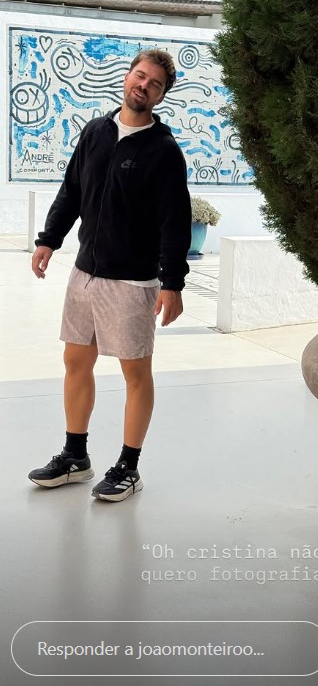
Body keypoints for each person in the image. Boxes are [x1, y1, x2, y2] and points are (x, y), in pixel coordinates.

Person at [29, 49, 192, 502]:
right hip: (85, 273)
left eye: (154, 83)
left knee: (135, 373)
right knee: (75, 362)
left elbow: (175, 221)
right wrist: (49, 239)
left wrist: (173, 283)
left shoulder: (164, 151)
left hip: (132, 281)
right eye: (140, 75)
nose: (144, 85)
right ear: (127, 77)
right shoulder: (95, 132)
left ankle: (129, 467)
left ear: (161, 96)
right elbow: (72, 190)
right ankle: (75, 456)